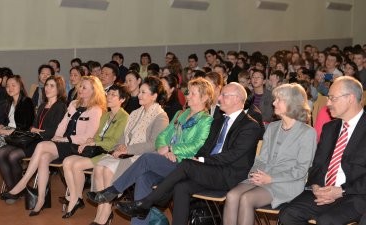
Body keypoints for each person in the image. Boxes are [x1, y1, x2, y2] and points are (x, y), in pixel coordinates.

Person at [114, 82, 263, 225]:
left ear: (237, 99)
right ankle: (149, 204)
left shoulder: (250, 125)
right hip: (211, 170)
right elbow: (205, 147)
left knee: (185, 164)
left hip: (230, 175)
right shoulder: (218, 121)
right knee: (181, 187)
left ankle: (146, 203)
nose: (219, 98)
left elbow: (232, 155)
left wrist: (201, 160)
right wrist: (199, 157)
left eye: (224, 95)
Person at [87, 77, 214, 225]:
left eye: (192, 93)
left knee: (147, 158)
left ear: (204, 97)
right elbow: (163, 136)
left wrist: (172, 148)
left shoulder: (206, 120)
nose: (188, 96)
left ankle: (113, 191)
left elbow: (197, 145)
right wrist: (165, 149)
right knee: (143, 178)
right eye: (188, 92)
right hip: (167, 159)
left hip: (183, 164)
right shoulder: (181, 113)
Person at [0, 76, 106, 216]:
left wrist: (65, 139)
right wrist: (57, 136)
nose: (80, 89)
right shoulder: (73, 103)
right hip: (64, 143)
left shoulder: (96, 109)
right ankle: (40, 200)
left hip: (78, 146)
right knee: (43, 158)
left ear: (94, 91)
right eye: (80, 86)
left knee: (42, 146)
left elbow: (88, 136)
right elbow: (63, 124)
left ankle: (22, 184)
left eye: (84, 87)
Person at [223, 83, 317, 225]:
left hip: (287, 183)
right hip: (264, 176)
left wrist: (271, 179)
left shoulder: (307, 132)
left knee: (246, 198)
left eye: (279, 100)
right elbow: (262, 158)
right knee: (231, 195)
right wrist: (255, 174)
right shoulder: (272, 127)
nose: (274, 103)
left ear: (292, 103)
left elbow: (301, 170)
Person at [279, 76, 366, 225]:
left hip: (355, 194)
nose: (328, 103)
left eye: (332, 98)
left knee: (326, 221)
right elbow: (318, 164)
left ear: (350, 98)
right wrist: (316, 186)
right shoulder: (330, 128)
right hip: (323, 190)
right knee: (288, 215)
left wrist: (341, 191)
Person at [87, 76, 169, 225]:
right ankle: (102, 212)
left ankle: (104, 216)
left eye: (144, 92)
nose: (139, 95)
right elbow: (124, 137)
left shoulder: (160, 116)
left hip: (141, 158)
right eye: (140, 92)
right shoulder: (135, 113)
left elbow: (153, 144)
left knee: (107, 170)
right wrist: (118, 147)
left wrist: (127, 149)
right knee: (99, 167)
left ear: (154, 96)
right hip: (126, 153)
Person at [61, 83, 129, 219]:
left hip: (108, 153)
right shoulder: (105, 116)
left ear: (122, 100)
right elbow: (98, 136)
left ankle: (80, 200)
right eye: (108, 94)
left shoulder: (124, 117)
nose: (109, 97)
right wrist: (89, 141)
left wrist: (94, 142)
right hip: (98, 151)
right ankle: (75, 196)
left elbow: (113, 142)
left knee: (76, 165)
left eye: (113, 95)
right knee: (67, 161)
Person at [0, 75, 67, 195]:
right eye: (46, 85)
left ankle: (17, 189)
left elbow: (57, 130)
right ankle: (12, 188)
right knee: (0, 153)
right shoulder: (43, 105)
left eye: (52, 86)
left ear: (58, 89)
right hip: (31, 138)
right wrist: (33, 128)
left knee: (13, 156)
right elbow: (32, 124)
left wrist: (38, 131)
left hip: (44, 142)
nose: (47, 88)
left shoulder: (60, 106)